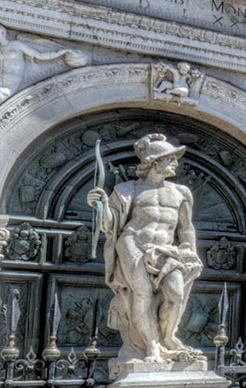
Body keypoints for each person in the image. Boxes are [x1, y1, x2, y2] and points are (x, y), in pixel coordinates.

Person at [87, 134, 206, 368]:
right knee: (141, 293)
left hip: (166, 250)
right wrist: (100, 205)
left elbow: (186, 227)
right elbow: (110, 225)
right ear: (154, 161)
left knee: (176, 295)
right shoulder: (127, 189)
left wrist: (190, 252)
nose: (175, 163)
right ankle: (151, 346)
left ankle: (168, 337)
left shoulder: (181, 193)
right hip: (133, 244)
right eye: (170, 159)